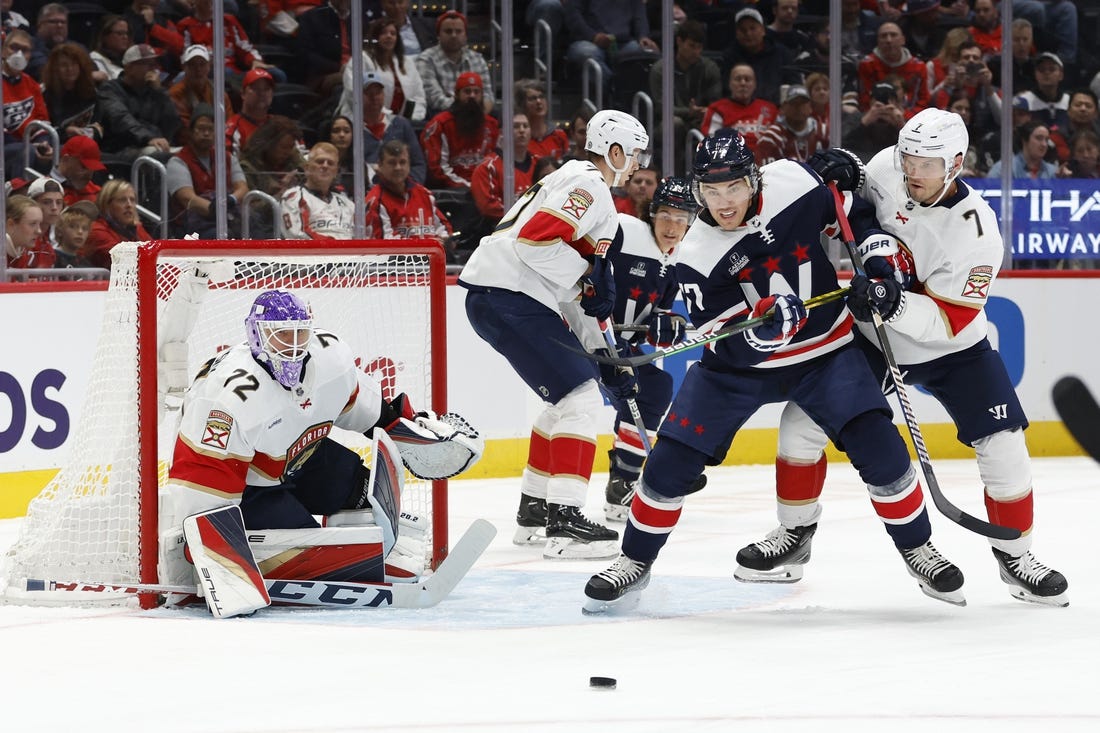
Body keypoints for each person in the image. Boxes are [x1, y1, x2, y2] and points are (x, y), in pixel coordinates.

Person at [583, 130, 966, 612]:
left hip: (826, 352)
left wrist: (874, 252)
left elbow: (851, 208)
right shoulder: (696, 252)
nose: (723, 203)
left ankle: (918, 548)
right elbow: (725, 342)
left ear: (753, 179)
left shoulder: (792, 183)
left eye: (733, 189)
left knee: (880, 446)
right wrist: (760, 332)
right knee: (669, 464)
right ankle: (634, 560)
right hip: (735, 372)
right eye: (711, 191)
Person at [776, 108, 1069, 606]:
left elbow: (949, 320)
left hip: (954, 348)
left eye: (927, 163)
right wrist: (844, 167)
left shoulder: (978, 235)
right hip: (874, 337)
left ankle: (1017, 555)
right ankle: (793, 537)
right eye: (908, 156)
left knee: (1003, 446)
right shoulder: (889, 167)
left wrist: (894, 301)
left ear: (955, 163)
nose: (912, 170)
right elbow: (855, 198)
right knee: (801, 422)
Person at [159, 289, 483, 617]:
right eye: (283, 335)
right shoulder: (226, 399)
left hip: (302, 457)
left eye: (300, 333)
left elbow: (368, 411)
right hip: (250, 488)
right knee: (311, 552)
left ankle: (372, 546)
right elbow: (202, 499)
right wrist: (221, 571)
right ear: (257, 337)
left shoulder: (330, 357)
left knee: (357, 487)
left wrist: (410, 426)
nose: (294, 344)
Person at [459, 110, 651, 560]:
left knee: (564, 401)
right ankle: (564, 522)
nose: (640, 163)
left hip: (499, 295)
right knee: (581, 400)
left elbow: (575, 298)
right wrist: (588, 273)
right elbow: (537, 242)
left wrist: (608, 357)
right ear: (616, 151)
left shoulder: (575, 182)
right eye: (636, 152)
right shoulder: (591, 186)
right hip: (508, 293)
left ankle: (534, 510)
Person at [601, 177, 696, 521]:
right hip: (590, 340)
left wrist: (667, 323)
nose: (673, 226)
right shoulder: (625, 231)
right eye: (667, 216)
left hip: (620, 349)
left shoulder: (677, 259)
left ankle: (621, 484)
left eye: (682, 218)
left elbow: (657, 321)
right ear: (652, 214)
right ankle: (618, 482)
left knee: (656, 387)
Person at [166, 104, 249, 238]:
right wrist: (214, 209)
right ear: (191, 131)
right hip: (193, 227)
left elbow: (243, 188)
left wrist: (232, 200)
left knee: (255, 227)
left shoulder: (227, 158)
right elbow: (187, 198)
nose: (206, 133)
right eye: (201, 129)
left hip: (228, 218)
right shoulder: (178, 162)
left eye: (210, 129)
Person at [95, 43, 182, 163]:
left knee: (186, 157)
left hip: (153, 144)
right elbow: (121, 119)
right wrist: (148, 138)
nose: (153, 68)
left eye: (154, 64)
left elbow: (173, 123)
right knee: (158, 156)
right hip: (121, 148)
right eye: (147, 64)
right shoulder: (110, 89)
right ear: (129, 67)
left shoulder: (154, 91)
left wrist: (161, 93)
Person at [337, 16, 427, 123]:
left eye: (393, 33)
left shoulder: (407, 62)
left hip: (401, 123)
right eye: (384, 33)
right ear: (375, 36)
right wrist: (385, 116)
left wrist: (412, 118)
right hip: (362, 120)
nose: (389, 36)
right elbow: (353, 92)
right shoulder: (361, 59)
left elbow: (418, 96)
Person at [420, 71, 500, 189]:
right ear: (456, 95)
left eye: (476, 92)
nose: (472, 96)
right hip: (454, 193)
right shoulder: (440, 125)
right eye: (467, 91)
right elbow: (436, 168)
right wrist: (468, 186)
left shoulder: (492, 125)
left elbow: (499, 163)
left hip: (487, 187)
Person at [363, 139, 452, 242]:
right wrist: (426, 245)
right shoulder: (374, 201)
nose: (398, 167)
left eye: (402, 162)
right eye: (392, 163)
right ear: (380, 165)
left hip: (434, 256)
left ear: (409, 164)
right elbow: (382, 245)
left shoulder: (424, 194)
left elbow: (445, 230)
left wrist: (443, 240)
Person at [415, 10, 493, 117]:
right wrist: (468, 109)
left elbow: (488, 96)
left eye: (458, 31)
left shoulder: (477, 59)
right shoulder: (425, 60)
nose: (453, 35)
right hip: (442, 116)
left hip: (476, 116)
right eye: (448, 31)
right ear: (438, 35)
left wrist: (476, 113)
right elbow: (435, 99)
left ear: (465, 36)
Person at [356, 70, 426, 185]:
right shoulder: (352, 129)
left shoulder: (401, 124)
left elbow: (418, 164)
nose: (374, 97)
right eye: (368, 93)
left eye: (378, 92)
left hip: (402, 190)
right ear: (358, 97)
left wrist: (408, 186)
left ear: (384, 95)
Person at [2, 29, 52, 178]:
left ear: (30, 56)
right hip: (6, 146)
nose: (19, 54)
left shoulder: (32, 85)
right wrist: (30, 145)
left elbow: (42, 121)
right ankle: (20, 196)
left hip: (28, 144)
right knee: (26, 151)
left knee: (67, 149)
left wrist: (43, 144)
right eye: (14, 47)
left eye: (25, 50)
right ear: (3, 51)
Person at [281, 142, 356, 239]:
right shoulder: (294, 197)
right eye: (320, 161)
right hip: (315, 253)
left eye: (330, 163)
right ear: (307, 168)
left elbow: (360, 236)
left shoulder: (348, 203)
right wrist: (335, 245)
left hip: (350, 252)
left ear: (336, 172)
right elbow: (296, 236)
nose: (325, 166)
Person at [857, 21, 930, 117]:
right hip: (876, 117)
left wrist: (905, 116)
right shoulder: (867, 65)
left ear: (903, 40)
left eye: (893, 35)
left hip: (910, 120)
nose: (889, 40)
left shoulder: (918, 67)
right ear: (877, 41)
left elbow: (923, 101)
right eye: (883, 36)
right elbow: (864, 100)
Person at [700, 63, 778, 151]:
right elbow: (713, 144)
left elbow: (781, 139)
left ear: (755, 84)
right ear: (730, 84)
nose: (743, 83)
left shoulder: (770, 108)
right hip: (733, 160)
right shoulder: (717, 109)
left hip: (768, 159)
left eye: (747, 79)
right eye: (738, 79)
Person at [168, 44, 234, 142]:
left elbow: (230, 123)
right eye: (192, 65)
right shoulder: (175, 94)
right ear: (184, 67)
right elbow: (184, 131)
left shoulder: (220, 94)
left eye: (202, 64)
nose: (198, 69)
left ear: (209, 66)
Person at [41, 43, 102, 144]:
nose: (70, 69)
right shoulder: (44, 94)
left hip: (87, 145)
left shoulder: (91, 91)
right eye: (64, 65)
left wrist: (86, 134)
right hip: (57, 149)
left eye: (74, 64)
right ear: (55, 69)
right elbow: (42, 132)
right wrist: (65, 133)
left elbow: (99, 126)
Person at [85, 179, 151, 270]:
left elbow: (155, 253)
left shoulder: (137, 228)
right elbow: (122, 259)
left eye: (132, 200)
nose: (129, 205)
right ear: (106, 204)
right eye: (122, 200)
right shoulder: (96, 230)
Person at [754, 84, 829, 165]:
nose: (798, 108)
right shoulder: (771, 137)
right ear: (783, 108)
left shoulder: (823, 132)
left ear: (810, 107)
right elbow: (766, 173)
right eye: (794, 103)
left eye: (803, 103)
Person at [516, 78, 569, 162]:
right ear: (521, 104)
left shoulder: (559, 135)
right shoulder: (519, 137)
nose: (538, 101)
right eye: (532, 98)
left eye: (541, 97)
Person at [225, 67, 275, 156]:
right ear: (243, 94)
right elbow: (231, 167)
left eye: (266, 89)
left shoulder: (281, 125)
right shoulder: (232, 129)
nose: (262, 93)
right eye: (255, 88)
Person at [986, 120, 1058, 179]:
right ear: (1024, 140)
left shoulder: (1053, 172)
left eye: (1046, 139)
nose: (1044, 144)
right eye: (1039, 138)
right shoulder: (1003, 169)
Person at [51, 135, 106, 205]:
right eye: (84, 167)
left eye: (93, 169)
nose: (89, 176)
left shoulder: (97, 193)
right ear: (66, 160)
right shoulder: (41, 190)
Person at [52, 200, 98, 270]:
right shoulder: (51, 259)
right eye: (72, 226)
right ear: (59, 231)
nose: (80, 232)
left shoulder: (86, 264)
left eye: (85, 228)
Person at [3, 195, 44, 270]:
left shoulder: (23, 253)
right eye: (32, 224)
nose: (39, 231)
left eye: (39, 224)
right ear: (11, 224)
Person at [89, 14, 131, 83]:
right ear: (104, 36)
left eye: (127, 33)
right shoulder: (94, 60)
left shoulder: (129, 61)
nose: (125, 37)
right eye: (120, 33)